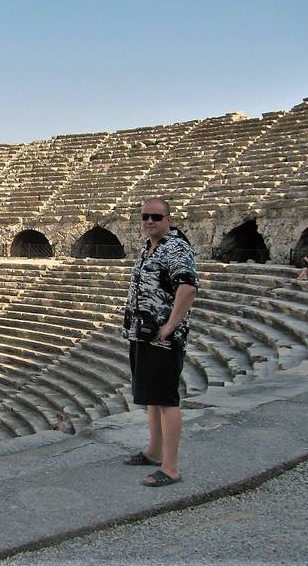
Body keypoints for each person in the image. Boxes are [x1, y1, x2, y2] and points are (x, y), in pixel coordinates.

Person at [121, 198, 198, 487]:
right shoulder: (149, 247)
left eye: (156, 216)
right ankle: (154, 452)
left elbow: (188, 287)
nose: (149, 221)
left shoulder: (175, 247)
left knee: (167, 400)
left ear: (168, 219)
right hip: (142, 334)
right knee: (152, 398)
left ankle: (171, 467)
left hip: (163, 339)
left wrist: (170, 326)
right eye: (145, 217)